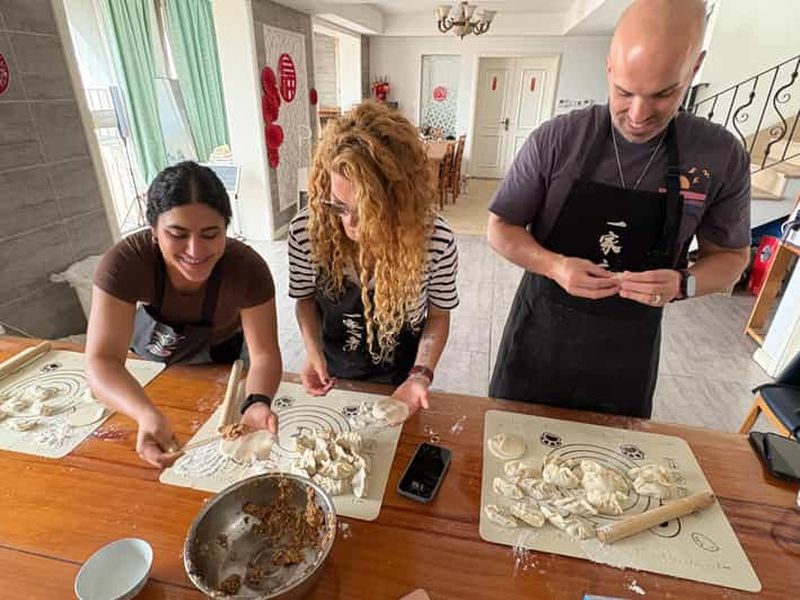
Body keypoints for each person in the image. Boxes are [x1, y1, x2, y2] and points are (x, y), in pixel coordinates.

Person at [487, 0, 751, 418]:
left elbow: (732, 259)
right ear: (609, 66)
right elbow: (501, 228)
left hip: (626, 356)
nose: (639, 115)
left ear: (695, 69)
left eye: (664, 94)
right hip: (539, 339)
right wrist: (555, 265)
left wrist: (685, 284)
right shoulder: (558, 140)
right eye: (624, 93)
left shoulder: (719, 156)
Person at [86, 161, 282, 468]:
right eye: (177, 234)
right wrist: (144, 413)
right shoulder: (125, 263)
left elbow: (265, 354)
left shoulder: (247, 269)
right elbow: (101, 361)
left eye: (210, 234)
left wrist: (257, 402)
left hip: (221, 361)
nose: (195, 250)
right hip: (151, 367)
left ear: (226, 229)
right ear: (153, 230)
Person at [288, 101, 458, 415]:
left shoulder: (435, 239)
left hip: (401, 377)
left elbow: (438, 315)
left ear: (401, 203)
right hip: (333, 370)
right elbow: (305, 300)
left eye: (369, 213)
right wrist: (313, 352)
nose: (350, 226)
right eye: (339, 206)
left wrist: (421, 375)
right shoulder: (306, 230)